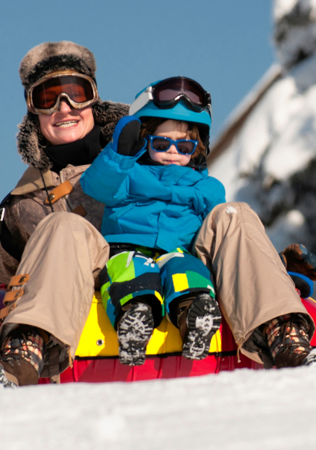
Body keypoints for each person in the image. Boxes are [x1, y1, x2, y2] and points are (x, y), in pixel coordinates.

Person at [0, 42, 316, 391]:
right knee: (64, 226)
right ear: (33, 109)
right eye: (48, 98)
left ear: (93, 96)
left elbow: (212, 229)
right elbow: (5, 287)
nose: (64, 107)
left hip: (184, 268)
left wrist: (271, 264)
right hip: (97, 285)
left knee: (232, 213)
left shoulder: (144, 143)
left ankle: (285, 337)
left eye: (76, 92)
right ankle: (25, 354)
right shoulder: (23, 204)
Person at [80, 77, 226, 366]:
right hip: (127, 247)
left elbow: (223, 231)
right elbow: (96, 187)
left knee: (189, 271)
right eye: (162, 143)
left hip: (178, 250)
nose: (173, 152)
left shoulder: (205, 187)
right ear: (144, 140)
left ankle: (195, 315)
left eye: (184, 147)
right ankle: (135, 317)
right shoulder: (129, 174)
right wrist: (119, 155)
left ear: (197, 148)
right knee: (133, 272)